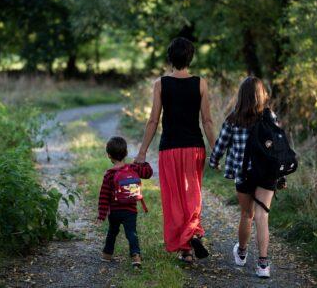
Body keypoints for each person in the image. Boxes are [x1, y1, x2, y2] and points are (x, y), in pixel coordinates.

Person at [134, 37, 217, 263]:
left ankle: (186, 249)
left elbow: (153, 121)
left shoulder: (161, 84)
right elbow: (207, 121)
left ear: (170, 58)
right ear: (190, 58)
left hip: (169, 148)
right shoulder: (200, 83)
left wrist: (142, 152)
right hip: (194, 148)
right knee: (192, 195)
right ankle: (192, 233)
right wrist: (216, 149)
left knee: (173, 198)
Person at [209, 76, 286, 278]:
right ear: (262, 95)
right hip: (267, 174)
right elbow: (279, 146)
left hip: (244, 174)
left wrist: (214, 161)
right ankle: (263, 265)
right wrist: (281, 174)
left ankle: (242, 253)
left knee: (247, 215)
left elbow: (220, 145)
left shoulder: (234, 118)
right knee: (262, 216)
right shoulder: (271, 116)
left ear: (241, 96)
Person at [97, 136, 153, 268]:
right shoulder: (133, 168)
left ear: (109, 155)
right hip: (130, 210)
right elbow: (148, 173)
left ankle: (107, 254)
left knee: (112, 232)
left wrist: (102, 214)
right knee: (131, 233)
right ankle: (136, 256)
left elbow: (104, 196)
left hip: (115, 211)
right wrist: (143, 162)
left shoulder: (109, 174)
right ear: (126, 153)